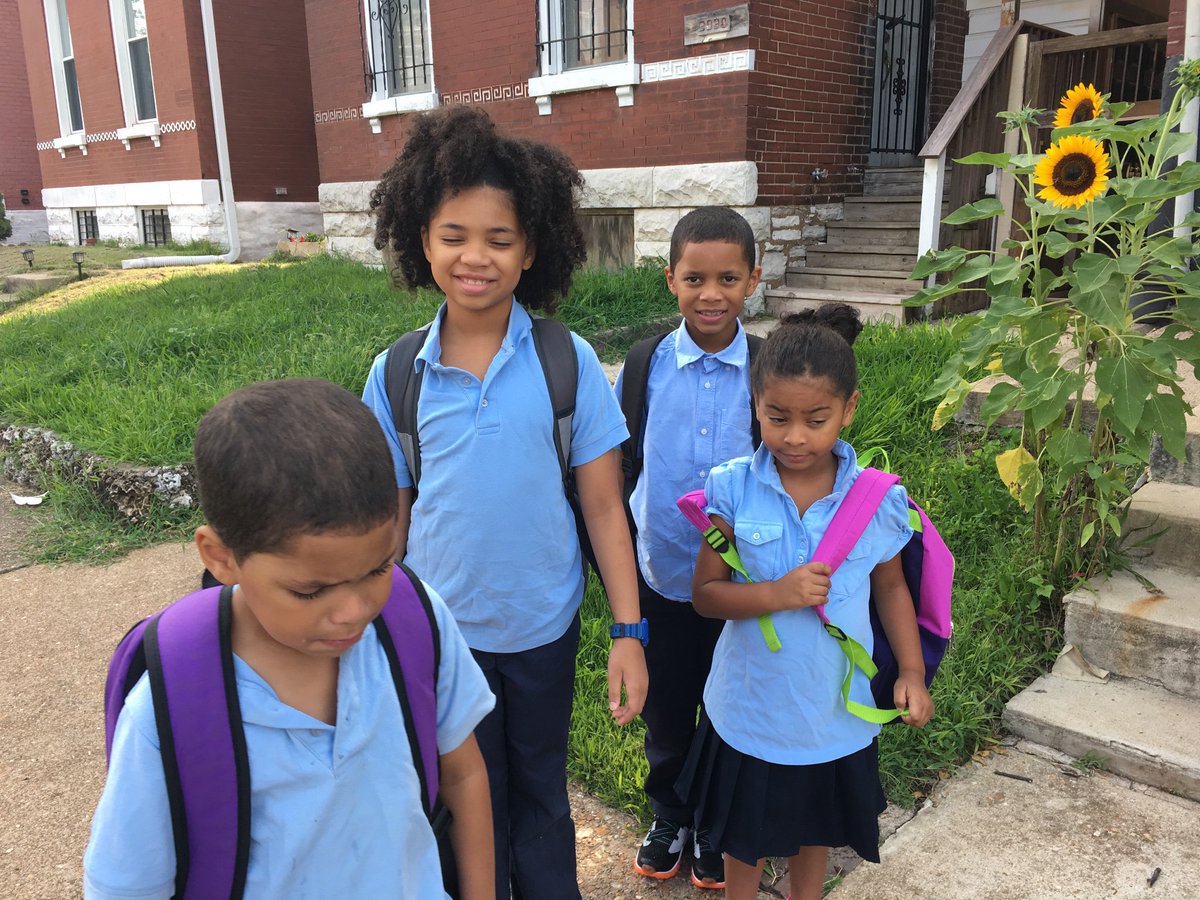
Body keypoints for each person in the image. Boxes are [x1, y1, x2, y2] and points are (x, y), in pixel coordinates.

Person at [361, 105, 647, 900]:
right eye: (454, 234)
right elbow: (391, 523)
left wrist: (628, 631)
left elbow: (602, 509)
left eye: (500, 238)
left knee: (539, 796)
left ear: (532, 251)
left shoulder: (568, 361)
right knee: (458, 797)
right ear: (422, 239)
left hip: (541, 631)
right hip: (439, 638)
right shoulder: (396, 375)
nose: (474, 256)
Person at [84, 378, 497, 899]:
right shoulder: (172, 710)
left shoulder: (415, 620)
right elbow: (126, 886)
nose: (354, 612)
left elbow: (462, 777)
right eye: (310, 590)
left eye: (378, 568)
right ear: (221, 557)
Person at [683, 304, 935, 900]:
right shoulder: (733, 488)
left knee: (814, 830)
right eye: (777, 417)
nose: (795, 436)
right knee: (742, 838)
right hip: (750, 709)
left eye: (816, 419)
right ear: (756, 405)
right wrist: (778, 592)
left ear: (848, 409)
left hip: (832, 713)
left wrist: (913, 672)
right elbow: (704, 596)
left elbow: (892, 586)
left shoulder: (876, 500)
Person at [615, 207, 761, 889]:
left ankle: (714, 820)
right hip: (663, 577)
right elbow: (621, 465)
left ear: (753, 280)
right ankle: (670, 812)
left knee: (729, 709)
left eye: (728, 277)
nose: (711, 293)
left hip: (741, 588)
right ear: (670, 278)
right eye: (695, 277)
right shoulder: (644, 365)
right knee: (669, 713)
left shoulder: (767, 368)